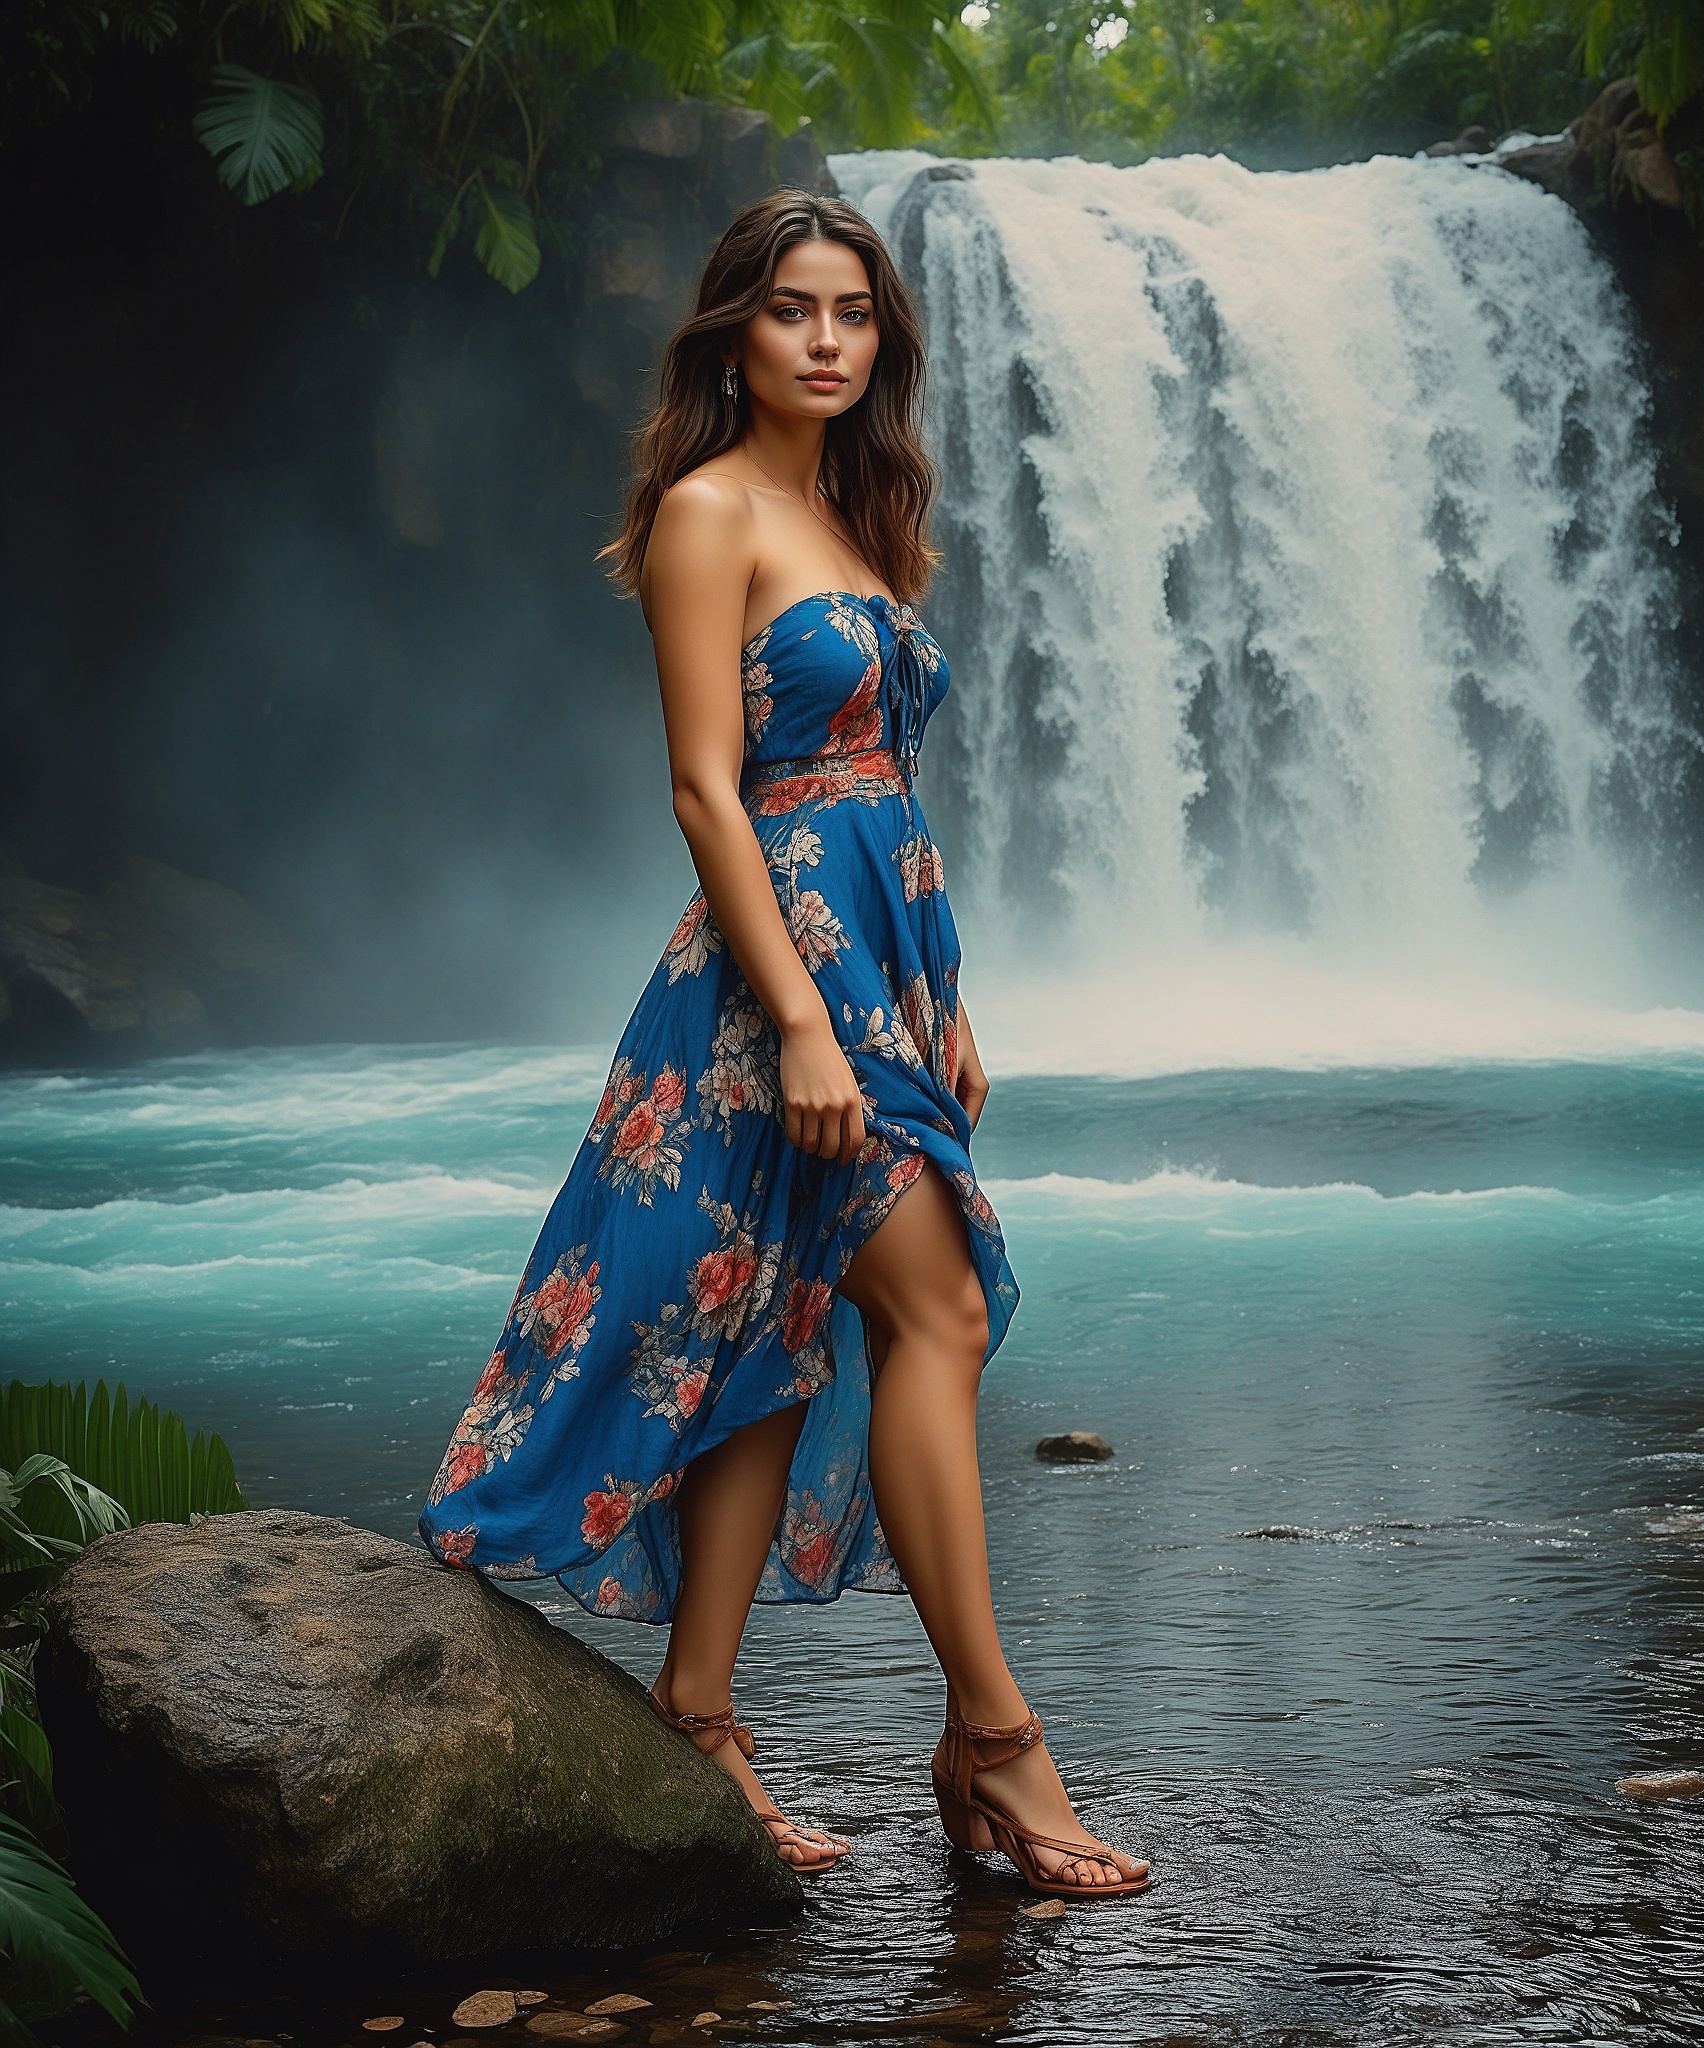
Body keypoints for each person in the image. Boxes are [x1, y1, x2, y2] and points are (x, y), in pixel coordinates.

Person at [417, 189, 1148, 1901]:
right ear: (731, 333)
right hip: (774, 987)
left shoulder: (867, 519)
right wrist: (810, 1025)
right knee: (938, 1305)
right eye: (790, 311)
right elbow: (704, 790)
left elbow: (895, 787)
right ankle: (992, 1731)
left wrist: (946, 997)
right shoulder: (706, 512)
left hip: (888, 965)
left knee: (779, 1323)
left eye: (854, 314)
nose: (826, 339)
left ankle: (697, 1705)